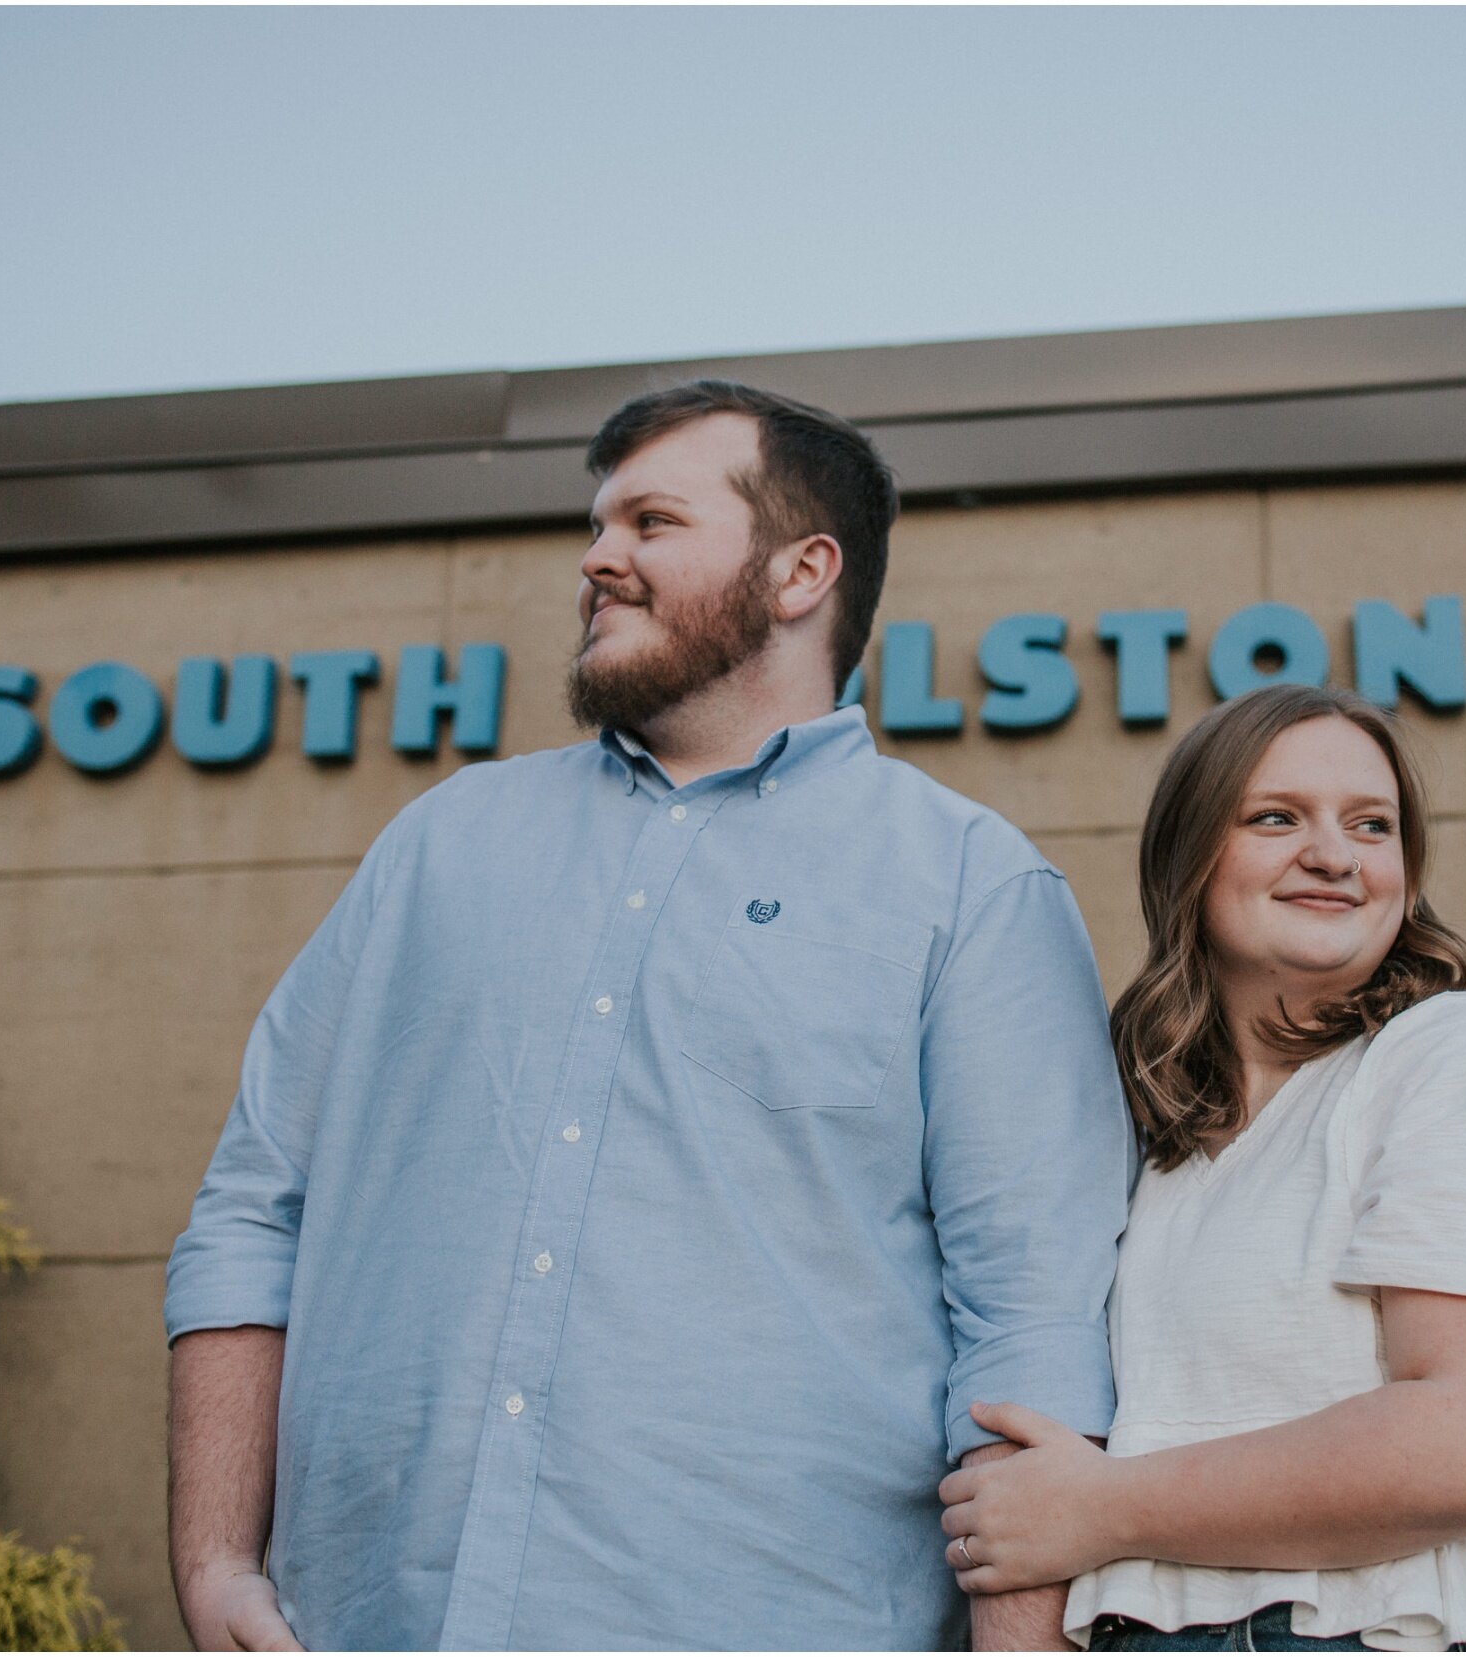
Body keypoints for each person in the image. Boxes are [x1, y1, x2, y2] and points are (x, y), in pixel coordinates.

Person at [164, 381, 1133, 1651]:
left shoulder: (968, 886)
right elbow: (254, 1208)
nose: (596, 559)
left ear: (800, 572)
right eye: (598, 525)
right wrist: (218, 1564)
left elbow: (1030, 1323)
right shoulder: (440, 845)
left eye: (650, 522)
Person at [937, 685, 1466, 1652]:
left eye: (1373, 824)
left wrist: (1102, 1508)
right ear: (1191, 857)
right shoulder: (1162, 1144)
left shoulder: (1448, 1057)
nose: (1335, 854)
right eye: (1277, 818)